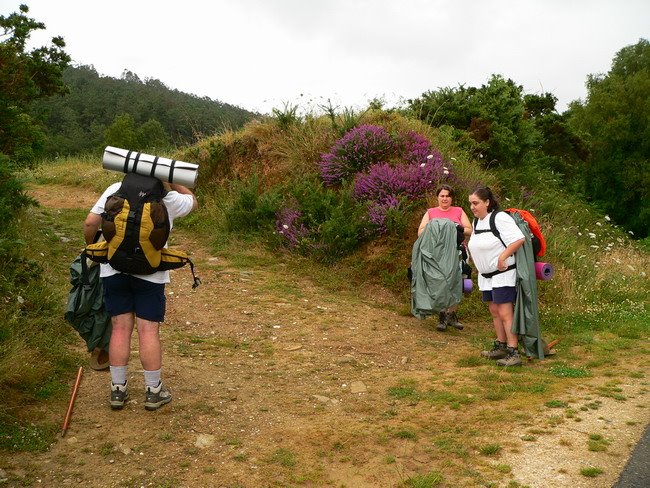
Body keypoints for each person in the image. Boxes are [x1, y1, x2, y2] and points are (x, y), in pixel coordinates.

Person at [84, 179, 198, 410]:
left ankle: (118, 390)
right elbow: (193, 202)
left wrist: (95, 251)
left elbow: (90, 223)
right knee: (148, 330)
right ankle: (153, 391)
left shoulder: (114, 189)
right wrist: (174, 182)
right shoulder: (167, 197)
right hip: (151, 273)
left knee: (120, 327)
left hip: (113, 269)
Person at [467, 187, 525, 367]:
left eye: (475, 203)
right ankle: (501, 346)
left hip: (503, 274)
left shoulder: (499, 218)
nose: (472, 207)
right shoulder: (477, 222)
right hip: (486, 277)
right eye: (470, 203)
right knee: (494, 311)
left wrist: (502, 257)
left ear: (487, 202)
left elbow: (518, 239)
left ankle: (513, 351)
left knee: (505, 312)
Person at [417, 185, 472, 331]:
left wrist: (454, 226)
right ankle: (442, 316)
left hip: (457, 252)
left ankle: (452, 315)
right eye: (442, 196)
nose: (445, 198)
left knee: (456, 281)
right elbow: (421, 232)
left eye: (447, 195)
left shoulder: (458, 211)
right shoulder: (431, 212)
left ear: (451, 198)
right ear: (437, 197)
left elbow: (469, 230)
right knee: (439, 282)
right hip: (437, 254)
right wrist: (436, 226)